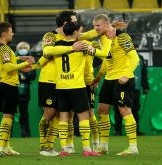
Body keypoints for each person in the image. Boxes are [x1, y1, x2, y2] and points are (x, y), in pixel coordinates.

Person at [36, 10, 105, 156]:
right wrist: (71, 48)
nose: (76, 23)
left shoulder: (74, 38)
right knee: (50, 113)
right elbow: (47, 51)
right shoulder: (50, 36)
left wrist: (105, 27)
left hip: (62, 82)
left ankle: (53, 145)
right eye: (74, 21)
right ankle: (44, 144)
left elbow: (87, 35)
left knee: (62, 115)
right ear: (66, 23)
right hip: (49, 80)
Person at [92, 13, 140, 156]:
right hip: (109, 79)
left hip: (123, 79)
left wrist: (126, 74)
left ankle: (133, 147)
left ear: (106, 24)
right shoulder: (104, 39)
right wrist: (98, 77)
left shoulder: (122, 37)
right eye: (94, 26)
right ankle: (103, 146)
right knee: (102, 110)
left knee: (124, 110)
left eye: (98, 26)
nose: (96, 29)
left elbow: (134, 57)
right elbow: (107, 61)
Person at [0, 22, 34, 155]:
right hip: (8, 84)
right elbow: (8, 67)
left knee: (8, 115)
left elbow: (3, 62)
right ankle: (0, 146)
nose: (12, 33)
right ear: (4, 34)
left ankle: (6, 147)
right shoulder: (5, 49)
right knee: (8, 116)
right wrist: (25, 63)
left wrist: (19, 57)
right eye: (10, 31)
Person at [114, 54, 149, 136]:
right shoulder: (120, 55)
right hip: (121, 87)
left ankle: (135, 130)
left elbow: (143, 72)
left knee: (135, 109)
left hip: (135, 88)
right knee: (119, 107)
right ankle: (118, 130)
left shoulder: (140, 57)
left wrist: (145, 86)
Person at [15, 41, 36, 137]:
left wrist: (23, 76)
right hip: (12, 89)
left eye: (24, 47)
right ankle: (7, 134)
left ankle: (26, 133)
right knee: (9, 113)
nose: (22, 49)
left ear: (28, 49)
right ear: (17, 49)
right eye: (21, 48)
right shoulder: (13, 59)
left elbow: (32, 76)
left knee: (24, 113)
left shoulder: (32, 60)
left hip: (25, 91)